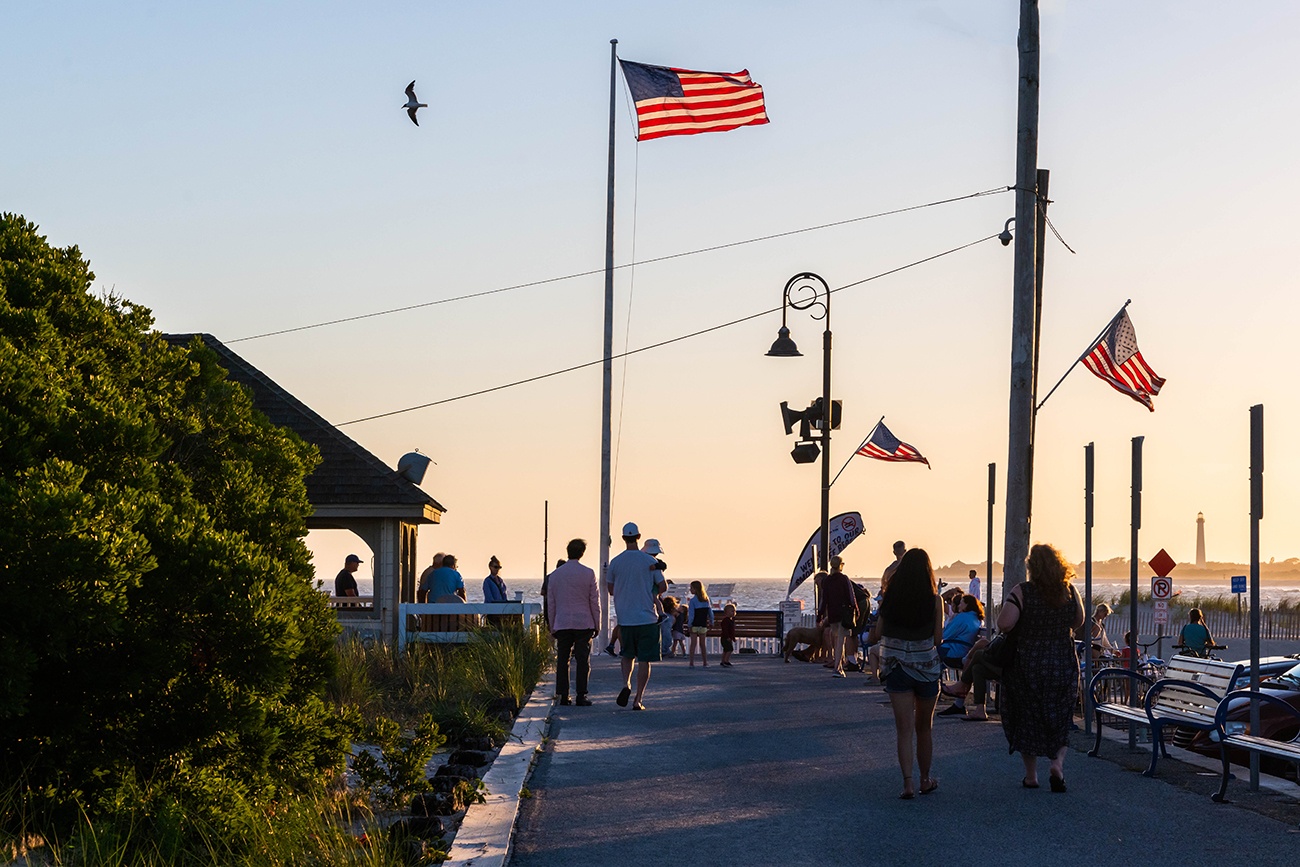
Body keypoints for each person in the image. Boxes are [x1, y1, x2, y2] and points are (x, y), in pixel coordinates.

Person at [998, 543, 1085, 792]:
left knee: (1028, 715)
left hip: (1029, 661)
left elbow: (1005, 623)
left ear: (1032, 568)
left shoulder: (1023, 591)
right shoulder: (1069, 590)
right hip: (1062, 661)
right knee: (1060, 715)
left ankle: (1031, 776)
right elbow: (1078, 621)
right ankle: (1057, 763)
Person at [871, 547, 943, 799]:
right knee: (925, 727)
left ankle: (908, 783)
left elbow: (878, 633)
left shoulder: (890, 599)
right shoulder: (935, 601)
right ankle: (925, 779)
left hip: (896, 667)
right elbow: (937, 638)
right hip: (926, 668)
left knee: (904, 729)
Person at [607, 522, 667, 710]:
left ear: (623, 538)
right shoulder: (650, 562)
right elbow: (663, 586)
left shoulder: (615, 562)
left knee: (627, 656)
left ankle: (626, 684)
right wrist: (651, 590)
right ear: (638, 537)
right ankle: (638, 699)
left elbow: (610, 589)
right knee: (644, 660)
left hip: (625, 618)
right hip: (647, 618)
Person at [546, 539, 599, 706]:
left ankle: (563, 695)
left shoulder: (555, 576)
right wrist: (597, 624)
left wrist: (552, 624)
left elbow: (551, 603)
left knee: (563, 659)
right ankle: (581, 695)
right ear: (582, 553)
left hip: (562, 622)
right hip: (584, 622)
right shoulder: (589, 573)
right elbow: (594, 602)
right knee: (583, 660)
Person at [937, 594, 985, 716]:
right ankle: (958, 704)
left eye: (961, 603)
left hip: (954, 652)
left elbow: (945, 636)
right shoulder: (977, 619)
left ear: (967, 605)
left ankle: (929, 692)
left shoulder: (963, 617)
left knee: (930, 653)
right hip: (965, 652)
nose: (959, 605)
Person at [820, 556, 858, 678]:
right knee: (841, 641)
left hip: (832, 614)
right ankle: (837, 668)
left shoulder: (828, 580)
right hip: (843, 613)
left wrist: (819, 615)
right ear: (841, 565)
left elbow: (823, 599)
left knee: (837, 639)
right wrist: (856, 609)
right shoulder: (844, 579)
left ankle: (839, 666)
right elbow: (851, 596)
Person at [687, 580, 713, 668]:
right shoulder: (706, 600)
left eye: (691, 588)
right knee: (703, 644)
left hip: (694, 624)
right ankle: (705, 662)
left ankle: (691, 662)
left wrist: (689, 624)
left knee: (693, 644)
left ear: (695, 589)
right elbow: (710, 612)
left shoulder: (693, 601)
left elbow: (691, 615)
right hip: (703, 624)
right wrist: (711, 621)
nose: (690, 590)